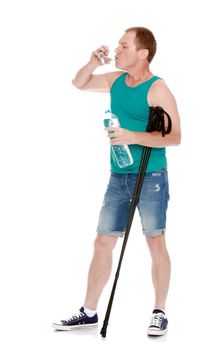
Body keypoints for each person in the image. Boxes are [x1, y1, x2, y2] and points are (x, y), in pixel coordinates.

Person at [52, 27, 181, 336]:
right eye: (118, 44)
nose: (117, 48)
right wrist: (92, 62)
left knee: (155, 242)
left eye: (124, 45)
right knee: (103, 242)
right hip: (119, 176)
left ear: (142, 53)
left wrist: (131, 136)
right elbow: (79, 83)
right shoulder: (115, 80)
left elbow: (175, 137)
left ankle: (159, 311)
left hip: (152, 177)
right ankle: (89, 311)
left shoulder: (157, 89)